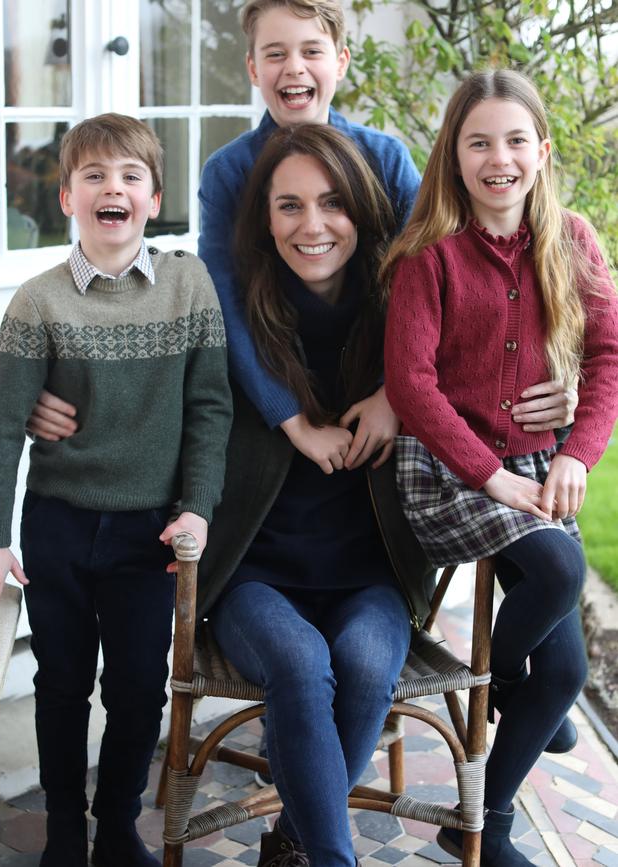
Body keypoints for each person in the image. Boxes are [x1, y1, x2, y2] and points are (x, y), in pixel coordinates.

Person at [26, 0, 576, 455]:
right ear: (252, 69)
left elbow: (445, 280)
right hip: (272, 394)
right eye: (275, 54)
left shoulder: (385, 158)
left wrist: (395, 395)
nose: (293, 67)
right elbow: (222, 306)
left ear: (340, 62)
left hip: (376, 390)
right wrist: (290, 418)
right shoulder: (229, 172)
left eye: (311, 51)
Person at [0, 113, 232, 867]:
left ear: (153, 199)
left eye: (129, 177)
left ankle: (117, 826)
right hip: (58, 524)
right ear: (67, 198)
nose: (111, 187)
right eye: (94, 176)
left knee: (139, 688)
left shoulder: (188, 285)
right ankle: (61, 830)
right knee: (60, 684)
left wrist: (198, 504)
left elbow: (211, 409)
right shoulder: (37, 302)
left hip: (150, 531)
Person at [382, 69, 618, 867]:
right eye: (479, 141)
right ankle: (503, 673)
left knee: (566, 673)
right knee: (556, 568)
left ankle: (485, 822)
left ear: (542, 151)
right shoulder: (429, 258)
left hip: (536, 464)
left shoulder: (574, 240)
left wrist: (579, 452)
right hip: (448, 468)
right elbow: (411, 386)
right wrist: (491, 474)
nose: (499, 158)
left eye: (516, 140)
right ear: (454, 155)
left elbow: (608, 353)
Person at [197, 122, 419, 867]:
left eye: (332, 203)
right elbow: (152, 392)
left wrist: (570, 391)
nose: (312, 225)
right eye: (288, 206)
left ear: (362, 208)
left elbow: (500, 351)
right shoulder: (234, 323)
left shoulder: (403, 319)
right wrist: (54, 403)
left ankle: (295, 836)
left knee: (361, 665)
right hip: (255, 574)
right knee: (299, 664)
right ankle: (332, 856)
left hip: (368, 570)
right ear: (264, 218)